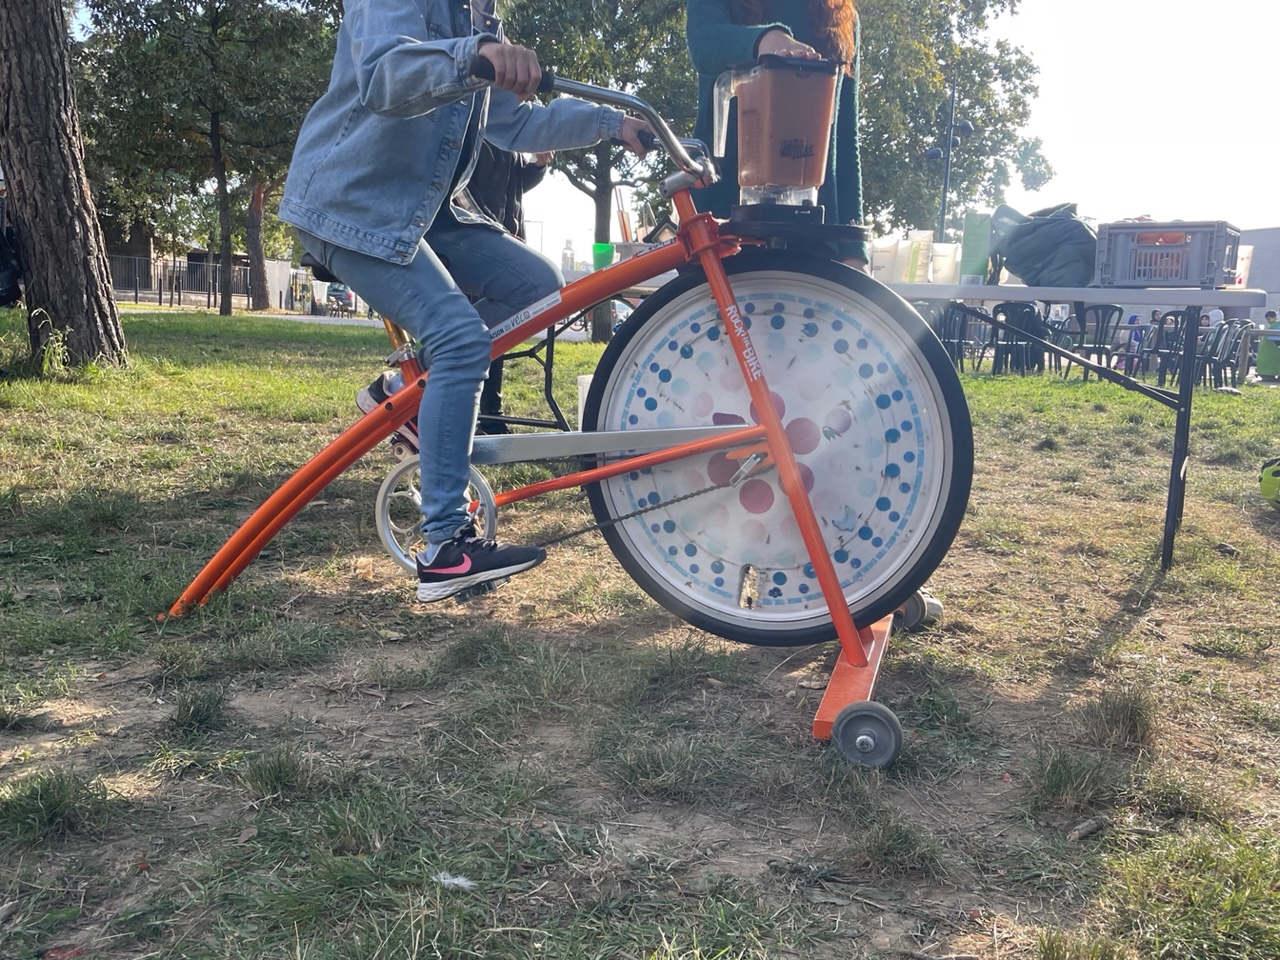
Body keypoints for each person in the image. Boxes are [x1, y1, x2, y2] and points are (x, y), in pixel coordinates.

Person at [279, 0, 650, 602]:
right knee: (460, 337)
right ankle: (445, 548)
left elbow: (516, 125)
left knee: (536, 288)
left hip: (427, 211)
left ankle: (407, 388)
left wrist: (612, 124)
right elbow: (384, 74)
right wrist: (475, 57)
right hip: (349, 205)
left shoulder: (483, 18)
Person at [685, 0, 870, 269]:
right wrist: (766, 39)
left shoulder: (840, 15)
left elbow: (844, 137)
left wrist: (854, 250)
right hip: (720, 225)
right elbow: (703, 43)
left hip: (813, 234)